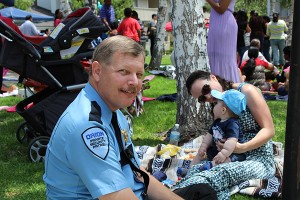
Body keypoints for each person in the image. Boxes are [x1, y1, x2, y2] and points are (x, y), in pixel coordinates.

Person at [43, 35, 217, 200]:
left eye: (139, 74)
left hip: (132, 192)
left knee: (202, 193)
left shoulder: (112, 110)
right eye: (124, 71)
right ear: (97, 71)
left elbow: (138, 172)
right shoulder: (87, 127)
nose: (135, 82)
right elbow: (116, 196)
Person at [173, 70, 275, 199]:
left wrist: (241, 148)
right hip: (228, 158)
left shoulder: (247, 91)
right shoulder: (218, 105)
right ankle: (178, 191)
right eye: (202, 98)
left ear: (213, 78)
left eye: (206, 89)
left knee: (220, 173)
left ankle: (175, 194)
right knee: (197, 169)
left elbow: (269, 130)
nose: (208, 97)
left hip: (257, 158)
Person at [191, 89, 247, 171]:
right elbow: (209, 136)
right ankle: (191, 169)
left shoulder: (232, 124)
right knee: (200, 154)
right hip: (216, 151)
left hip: (232, 154)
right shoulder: (217, 122)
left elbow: (232, 141)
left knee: (227, 160)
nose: (213, 106)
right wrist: (203, 146)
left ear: (223, 110)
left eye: (216, 104)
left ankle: (210, 166)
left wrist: (223, 153)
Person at [206, 0, 240, 82]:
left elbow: (222, 9)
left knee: (224, 57)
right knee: (213, 55)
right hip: (215, 22)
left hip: (224, 22)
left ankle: (228, 85)